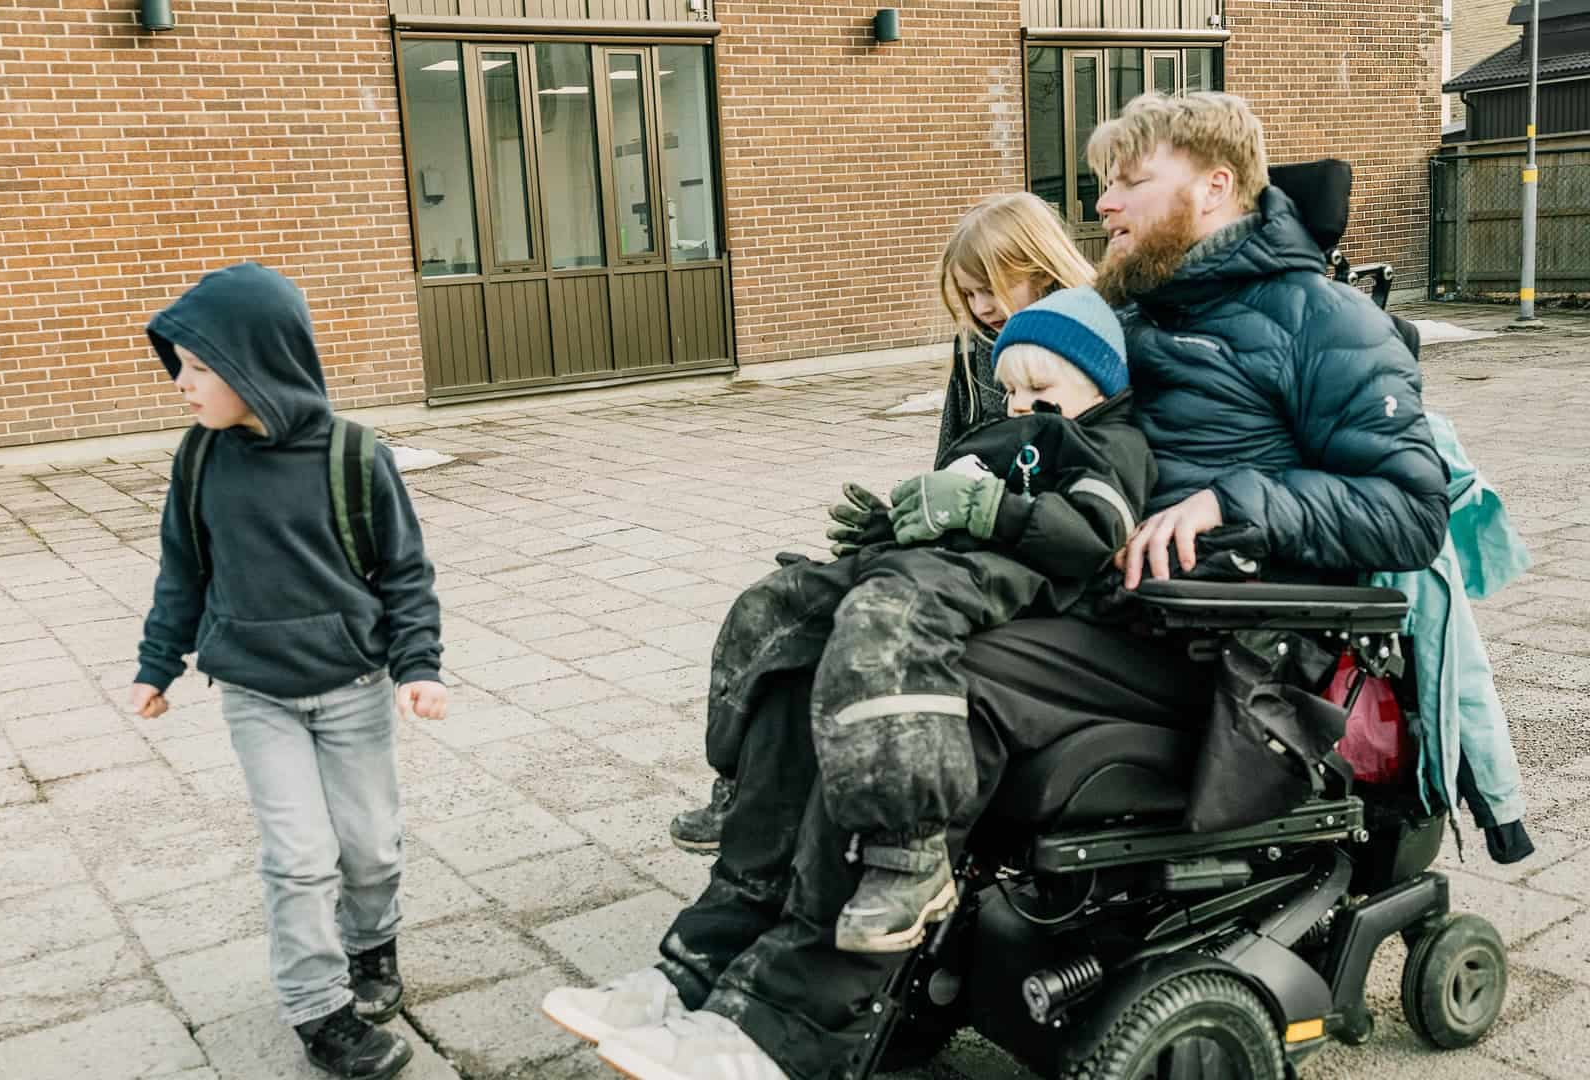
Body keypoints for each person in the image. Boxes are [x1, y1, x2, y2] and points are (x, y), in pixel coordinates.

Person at [543, 90, 1448, 1080]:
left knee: (919, 690)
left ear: (1216, 185)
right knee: (821, 640)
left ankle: (782, 1027)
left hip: (1218, 642)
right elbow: (1048, 451)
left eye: (1129, 182)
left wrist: (1243, 501)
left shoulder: (1321, 318)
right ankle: (705, 963)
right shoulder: (1128, 313)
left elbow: (1409, 507)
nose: (1103, 206)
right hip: (1090, 599)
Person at [666, 191, 1096, 855]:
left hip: (1016, 559)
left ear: (1038, 265)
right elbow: (954, 464)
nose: (981, 309)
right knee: (765, 611)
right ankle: (744, 788)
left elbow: (1085, 487)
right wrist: (893, 519)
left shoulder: (1092, 343)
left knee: (843, 627)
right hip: (956, 541)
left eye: (989, 289)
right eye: (968, 294)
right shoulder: (978, 350)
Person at [129, 263, 448, 1080]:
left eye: (201, 367)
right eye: (180, 366)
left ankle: (371, 947)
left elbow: (404, 573)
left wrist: (418, 665)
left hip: (353, 689)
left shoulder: (354, 456)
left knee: (370, 848)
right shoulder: (199, 462)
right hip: (256, 694)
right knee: (299, 856)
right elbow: (182, 571)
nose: (183, 384)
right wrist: (157, 662)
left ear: (257, 365)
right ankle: (319, 1011)